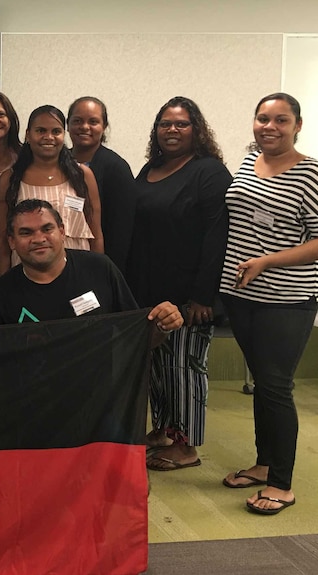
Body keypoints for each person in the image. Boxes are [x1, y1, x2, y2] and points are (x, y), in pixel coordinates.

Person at [219, 93, 318, 515]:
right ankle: (264, 464)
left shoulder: (310, 173)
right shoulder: (247, 162)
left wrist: (267, 262)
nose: (270, 127)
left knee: (276, 386)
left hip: (287, 298)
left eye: (281, 120)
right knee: (262, 381)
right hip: (241, 295)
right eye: (263, 118)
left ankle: (282, 484)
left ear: (297, 125)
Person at [128, 96, 232, 472]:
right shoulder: (151, 168)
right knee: (157, 365)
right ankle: (164, 431)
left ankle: (186, 447)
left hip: (190, 295)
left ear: (196, 130)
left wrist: (203, 296)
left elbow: (217, 236)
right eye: (165, 124)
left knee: (184, 367)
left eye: (181, 124)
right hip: (149, 288)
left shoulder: (210, 172)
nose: (172, 130)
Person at [0, 200, 182, 342]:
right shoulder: (1, 296)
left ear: (62, 232)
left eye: (47, 229)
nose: (38, 239)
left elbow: (137, 337)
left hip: (99, 396)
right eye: (26, 233)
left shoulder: (100, 269)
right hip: (34, 398)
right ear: (11, 241)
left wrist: (162, 325)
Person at [0, 105, 104, 279]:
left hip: (78, 273)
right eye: (41, 130)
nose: (49, 137)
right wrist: (2, 287)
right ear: (28, 135)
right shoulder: (10, 179)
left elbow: (96, 235)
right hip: (27, 274)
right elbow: (2, 241)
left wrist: (99, 277)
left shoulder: (83, 176)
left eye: (56, 131)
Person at [67, 96, 137, 273]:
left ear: (104, 126)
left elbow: (121, 232)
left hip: (97, 265)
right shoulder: (58, 162)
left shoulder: (116, 168)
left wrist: (108, 275)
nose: (84, 127)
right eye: (77, 121)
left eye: (93, 121)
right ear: (67, 125)